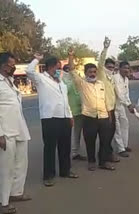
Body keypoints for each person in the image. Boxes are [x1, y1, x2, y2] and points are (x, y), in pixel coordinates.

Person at [26, 54, 78, 187]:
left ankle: (65, 171)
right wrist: (37, 59)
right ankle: (48, 176)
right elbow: (29, 71)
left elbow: (65, 100)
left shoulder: (60, 81)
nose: (59, 70)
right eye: (58, 67)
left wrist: (70, 115)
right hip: (50, 118)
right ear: (50, 67)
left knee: (65, 146)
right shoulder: (41, 79)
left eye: (60, 68)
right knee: (50, 148)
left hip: (64, 117)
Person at [68, 50, 116, 171]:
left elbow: (106, 100)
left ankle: (103, 162)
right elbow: (72, 70)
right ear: (85, 73)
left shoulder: (101, 84)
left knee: (105, 140)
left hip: (103, 116)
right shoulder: (82, 84)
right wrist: (71, 56)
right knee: (90, 141)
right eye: (90, 72)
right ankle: (91, 161)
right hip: (89, 117)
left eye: (94, 72)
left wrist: (109, 115)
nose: (93, 74)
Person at [0, 52, 31, 214]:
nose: (14, 68)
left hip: (20, 128)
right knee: (7, 168)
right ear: (3, 65)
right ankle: (3, 203)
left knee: (21, 163)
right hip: (5, 132)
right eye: (11, 65)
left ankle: (16, 193)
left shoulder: (10, 82)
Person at [97, 36, 120, 163]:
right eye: (109, 67)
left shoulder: (111, 78)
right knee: (105, 135)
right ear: (105, 66)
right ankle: (103, 158)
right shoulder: (101, 75)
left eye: (112, 67)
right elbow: (100, 63)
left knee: (111, 133)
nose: (111, 69)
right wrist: (105, 48)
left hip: (112, 109)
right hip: (103, 110)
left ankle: (108, 153)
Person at [62, 64, 86, 161]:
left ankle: (75, 152)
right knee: (68, 133)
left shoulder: (79, 79)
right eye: (69, 70)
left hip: (81, 110)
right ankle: (66, 154)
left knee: (78, 133)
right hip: (69, 111)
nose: (72, 72)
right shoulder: (64, 81)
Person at [113, 61, 135, 158]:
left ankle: (125, 145)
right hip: (113, 106)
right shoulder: (115, 78)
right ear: (120, 68)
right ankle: (120, 149)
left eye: (128, 68)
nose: (127, 70)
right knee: (116, 128)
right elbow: (118, 93)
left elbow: (126, 94)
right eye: (125, 68)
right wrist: (128, 105)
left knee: (125, 124)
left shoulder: (126, 79)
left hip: (121, 106)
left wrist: (129, 103)